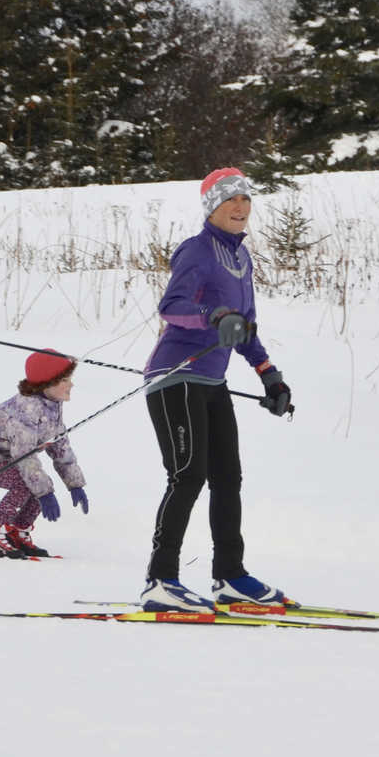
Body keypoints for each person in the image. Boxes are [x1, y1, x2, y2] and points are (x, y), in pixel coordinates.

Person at [140, 167, 293, 613]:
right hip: (175, 376)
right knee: (188, 475)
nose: (241, 208)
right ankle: (160, 580)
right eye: (231, 201)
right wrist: (213, 315)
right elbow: (172, 306)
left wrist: (269, 373)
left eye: (246, 200)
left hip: (213, 381)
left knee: (228, 478)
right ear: (213, 207)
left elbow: (244, 327)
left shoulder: (242, 260)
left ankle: (230, 577)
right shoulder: (197, 250)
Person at [0, 348, 89, 559]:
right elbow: (24, 457)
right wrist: (44, 493)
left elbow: (60, 446)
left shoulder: (51, 406)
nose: (71, 384)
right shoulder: (25, 412)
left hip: (2, 456)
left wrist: (75, 484)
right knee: (28, 483)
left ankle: (16, 532)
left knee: (37, 484)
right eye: (64, 379)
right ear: (47, 382)